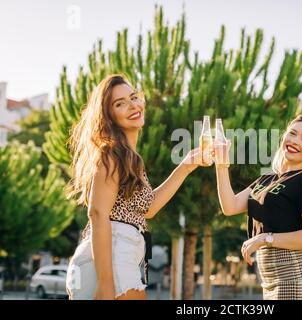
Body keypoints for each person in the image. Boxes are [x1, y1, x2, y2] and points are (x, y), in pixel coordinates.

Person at [65, 74, 209, 300]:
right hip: (111, 256)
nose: (132, 105)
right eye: (120, 103)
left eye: (133, 97)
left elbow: (148, 208)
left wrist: (186, 166)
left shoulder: (129, 158)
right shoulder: (111, 153)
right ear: (108, 116)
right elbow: (97, 213)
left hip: (121, 256)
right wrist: (105, 283)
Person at [214, 114, 302, 300]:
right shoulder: (267, 179)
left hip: (293, 277)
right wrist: (222, 164)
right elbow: (230, 207)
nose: (295, 141)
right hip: (269, 279)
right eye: (292, 134)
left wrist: (264, 238)